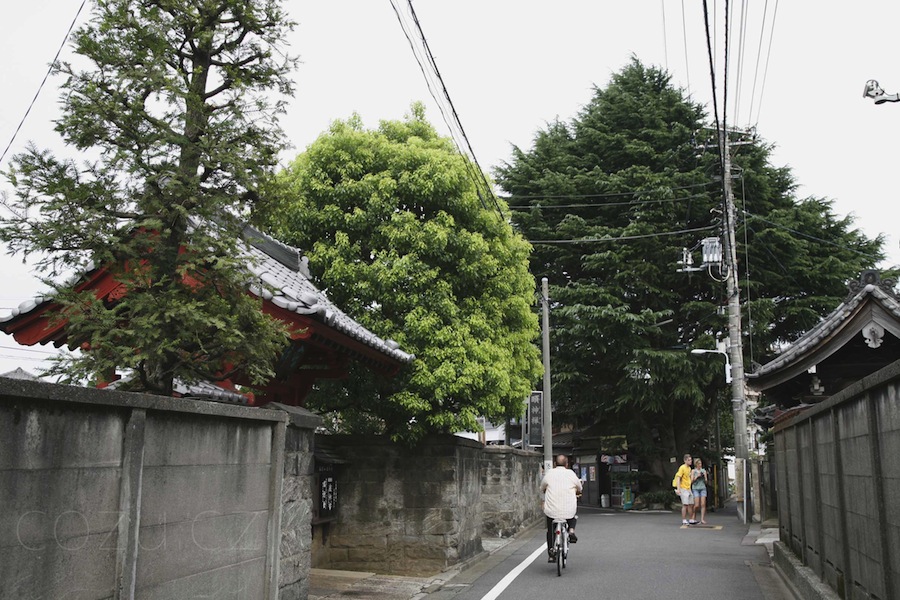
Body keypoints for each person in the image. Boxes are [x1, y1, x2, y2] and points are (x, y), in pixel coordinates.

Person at [540, 454, 583, 562]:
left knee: (550, 529)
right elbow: (579, 487)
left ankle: (551, 552)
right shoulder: (571, 474)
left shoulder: (550, 474)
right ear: (567, 464)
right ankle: (571, 531)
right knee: (572, 515)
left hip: (552, 510)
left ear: (555, 464)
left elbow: (542, 487)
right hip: (568, 509)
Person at [672, 453, 697, 525]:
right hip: (683, 488)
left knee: (691, 504)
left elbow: (688, 478)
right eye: (689, 460)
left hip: (688, 488)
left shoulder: (689, 469)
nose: (690, 461)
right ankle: (684, 519)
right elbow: (678, 478)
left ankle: (691, 519)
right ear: (685, 461)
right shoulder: (682, 468)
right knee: (685, 504)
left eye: (691, 460)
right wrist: (679, 489)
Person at [691, 457, 709, 524]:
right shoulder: (693, 471)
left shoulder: (703, 471)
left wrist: (705, 477)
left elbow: (706, 482)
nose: (700, 465)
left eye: (700, 463)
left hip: (703, 488)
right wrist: (697, 477)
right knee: (696, 505)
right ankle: (694, 516)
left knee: (703, 504)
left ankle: (702, 519)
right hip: (695, 488)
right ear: (696, 464)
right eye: (698, 464)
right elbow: (691, 481)